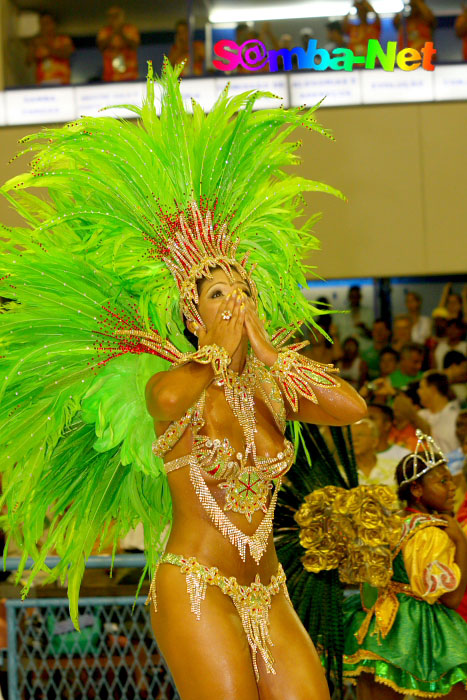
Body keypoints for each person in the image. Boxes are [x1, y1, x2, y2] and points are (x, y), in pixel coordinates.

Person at [0, 60, 367, 699]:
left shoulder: (273, 384)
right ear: (192, 311)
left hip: (269, 591)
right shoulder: (168, 377)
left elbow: (350, 407)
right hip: (195, 585)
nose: (238, 302)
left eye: (246, 290)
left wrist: (267, 353)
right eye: (221, 293)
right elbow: (164, 400)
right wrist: (216, 355)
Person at [343, 432, 467, 698]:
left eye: (450, 480)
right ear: (416, 490)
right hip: (421, 625)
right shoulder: (432, 533)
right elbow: (451, 600)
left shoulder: (392, 524)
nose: (452, 487)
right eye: (442, 481)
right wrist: (460, 542)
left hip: (377, 624)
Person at [418, 371, 461, 455]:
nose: (418, 391)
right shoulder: (420, 415)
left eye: (421, 387)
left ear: (433, 390)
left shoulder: (457, 417)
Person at [350, 418, 399, 491]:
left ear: (374, 442)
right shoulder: (341, 473)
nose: (354, 439)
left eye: (360, 435)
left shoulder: (394, 469)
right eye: (351, 436)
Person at [26, 13, 74, 86]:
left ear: (54, 24)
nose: (44, 27)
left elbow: (67, 54)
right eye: (42, 24)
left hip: (62, 82)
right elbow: (28, 62)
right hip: (43, 83)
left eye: (47, 23)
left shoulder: (63, 40)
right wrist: (33, 47)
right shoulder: (37, 42)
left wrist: (46, 46)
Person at [97, 6, 140, 82]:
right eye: (111, 16)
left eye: (116, 15)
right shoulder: (104, 31)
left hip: (130, 75)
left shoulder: (131, 29)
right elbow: (101, 47)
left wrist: (121, 32)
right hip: (110, 76)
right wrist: (113, 32)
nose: (114, 18)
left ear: (122, 16)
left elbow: (135, 45)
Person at [334, 285, 373, 352]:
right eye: (352, 296)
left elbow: (373, 335)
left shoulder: (368, 312)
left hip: (364, 349)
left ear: (360, 297)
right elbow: (335, 333)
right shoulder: (340, 313)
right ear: (349, 297)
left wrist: (364, 328)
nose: (354, 299)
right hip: (345, 349)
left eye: (356, 296)